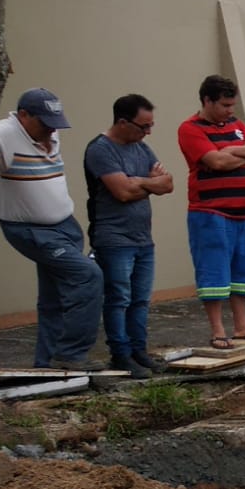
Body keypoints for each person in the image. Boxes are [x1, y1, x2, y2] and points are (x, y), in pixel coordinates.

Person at [0, 88, 105, 372]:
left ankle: (46, 363)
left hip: (64, 226)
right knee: (87, 276)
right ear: (23, 115)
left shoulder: (49, 130)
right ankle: (71, 353)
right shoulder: (2, 135)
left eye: (55, 122)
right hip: (30, 229)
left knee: (54, 297)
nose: (51, 129)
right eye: (44, 122)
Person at [177, 74, 245, 350]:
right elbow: (215, 162)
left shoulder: (235, 124)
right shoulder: (190, 128)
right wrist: (242, 151)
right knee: (214, 271)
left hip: (242, 213)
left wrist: (231, 149)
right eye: (224, 105)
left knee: (242, 270)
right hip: (210, 212)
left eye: (232, 105)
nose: (230, 111)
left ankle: (243, 325)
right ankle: (218, 329)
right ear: (207, 100)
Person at [84, 94, 174, 379]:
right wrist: (151, 183)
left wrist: (141, 182)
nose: (147, 132)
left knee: (140, 299)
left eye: (150, 126)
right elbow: (122, 192)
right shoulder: (101, 150)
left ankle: (139, 350)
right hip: (114, 239)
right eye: (142, 126)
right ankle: (120, 354)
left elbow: (168, 184)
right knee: (119, 297)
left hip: (142, 238)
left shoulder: (141, 148)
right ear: (122, 122)